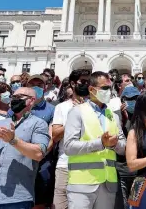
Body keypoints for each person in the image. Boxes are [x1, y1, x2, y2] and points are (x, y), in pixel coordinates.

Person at [0, 86, 50, 209]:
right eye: (13, 97)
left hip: (17, 199)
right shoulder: (0, 123)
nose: (15, 99)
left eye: (19, 97)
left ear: (31, 100)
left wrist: (13, 140)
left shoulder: (39, 123)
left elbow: (38, 153)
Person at [63, 71, 126, 209]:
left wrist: (114, 144)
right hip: (82, 183)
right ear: (91, 89)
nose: (109, 91)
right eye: (105, 88)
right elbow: (68, 146)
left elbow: (123, 147)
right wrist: (101, 143)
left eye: (110, 88)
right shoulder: (77, 112)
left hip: (108, 183)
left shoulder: (113, 116)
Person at [52, 69, 89, 209]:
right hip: (65, 165)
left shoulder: (94, 106)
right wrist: (75, 117)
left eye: (88, 82)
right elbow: (55, 135)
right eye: (82, 82)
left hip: (87, 166)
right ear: (73, 84)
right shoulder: (62, 107)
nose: (86, 84)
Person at [25, 75, 55, 209]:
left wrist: (39, 154)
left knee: (39, 202)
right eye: (32, 84)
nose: (36, 87)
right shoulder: (15, 106)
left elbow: (52, 137)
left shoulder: (52, 109)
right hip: (20, 161)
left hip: (42, 162)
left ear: (45, 87)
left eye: (39, 84)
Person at [115, 86, 141, 209]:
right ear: (122, 100)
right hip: (121, 171)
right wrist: (122, 119)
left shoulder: (143, 117)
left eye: (135, 98)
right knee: (123, 206)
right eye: (129, 99)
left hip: (139, 173)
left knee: (137, 205)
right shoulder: (115, 116)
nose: (132, 101)